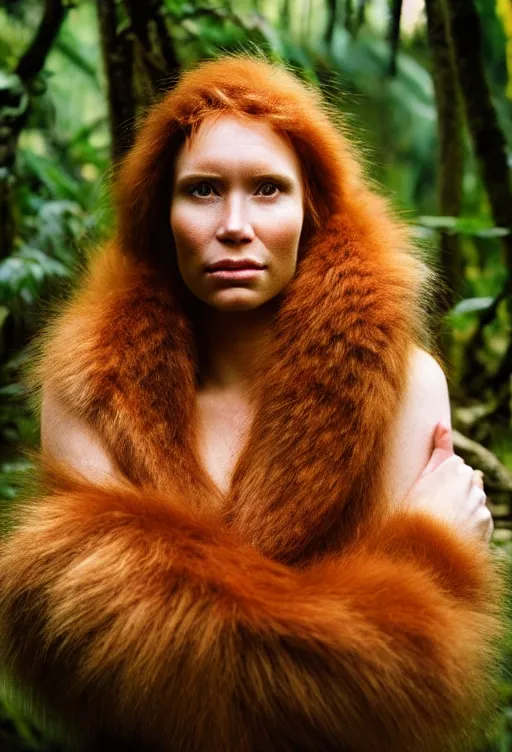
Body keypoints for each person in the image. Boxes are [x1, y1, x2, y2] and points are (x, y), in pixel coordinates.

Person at [0, 54, 503, 752]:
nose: (234, 224)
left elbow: (417, 694)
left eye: (268, 190)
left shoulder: (404, 383)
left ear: (312, 210)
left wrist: (159, 622)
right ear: (159, 212)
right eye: (203, 190)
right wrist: (427, 559)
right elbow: (92, 667)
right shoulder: (92, 381)